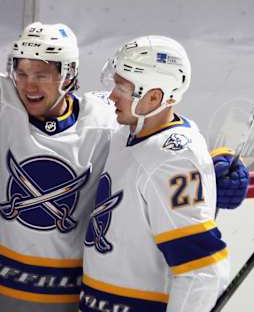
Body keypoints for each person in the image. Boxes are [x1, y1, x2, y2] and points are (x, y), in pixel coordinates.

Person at [0, 0, 249, 312]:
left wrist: (212, 170)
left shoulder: (104, 120)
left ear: (68, 75)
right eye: (21, 73)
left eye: (41, 74)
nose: (28, 85)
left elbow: (162, 134)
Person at [80, 35, 229, 312]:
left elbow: (203, 272)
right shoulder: (126, 133)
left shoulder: (173, 159)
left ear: (154, 97)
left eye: (123, 88)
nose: (112, 95)